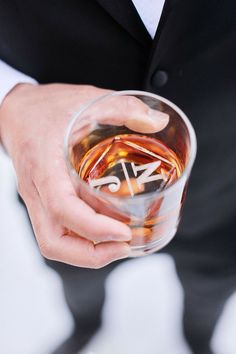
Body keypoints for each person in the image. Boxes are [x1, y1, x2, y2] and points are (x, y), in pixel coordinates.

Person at [0, 1, 235, 353]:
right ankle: (86, 326)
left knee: (209, 291)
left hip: (223, 195)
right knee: (79, 284)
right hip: (74, 196)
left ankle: (199, 339)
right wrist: (10, 99)